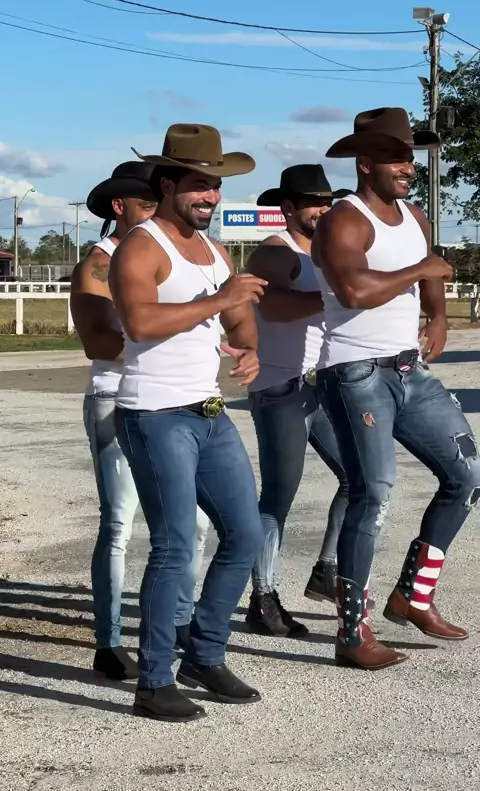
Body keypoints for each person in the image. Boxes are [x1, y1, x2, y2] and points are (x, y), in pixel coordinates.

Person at [312, 107, 480, 671]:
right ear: (365, 163)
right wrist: (422, 272)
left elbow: (429, 270)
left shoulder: (414, 216)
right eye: (395, 157)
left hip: (410, 370)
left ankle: (413, 596)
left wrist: (439, 316)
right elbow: (354, 290)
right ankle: (351, 632)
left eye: (410, 157)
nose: (407, 166)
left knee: (467, 475)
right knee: (373, 493)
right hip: (355, 373)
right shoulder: (344, 219)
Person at [109, 124, 266, 723]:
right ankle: (153, 681)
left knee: (245, 535)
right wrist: (221, 301)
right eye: (201, 185)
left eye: (216, 186)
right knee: (174, 547)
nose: (212, 197)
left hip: (209, 410)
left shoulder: (214, 251)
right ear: (168, 185)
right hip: (155, 414)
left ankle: (204, 653)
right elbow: (141, 323)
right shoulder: (142, 246)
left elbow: (237, 316)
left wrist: (248, 347)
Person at [70, 161, 209, 681]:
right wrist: (168, 336)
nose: (155, 212)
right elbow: (98, 341)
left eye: (158, 202)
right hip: (115, 399)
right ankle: (108, 640)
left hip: (172, 402)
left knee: (193, 523)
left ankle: (178, 621)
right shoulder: (99, 264)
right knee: (119, 522)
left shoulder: (174, 255)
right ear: (118, 207)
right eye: (146, 204)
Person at [245, 164, 352, 637]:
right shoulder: (276, 252)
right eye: (314, 203)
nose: (323, 210)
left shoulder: (328, 252)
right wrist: (336, 297)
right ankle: (263, 597)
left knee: (359, 478)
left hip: (322, 386)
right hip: (280, 388)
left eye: (328, 202)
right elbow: (272, 307)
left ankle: (326, 569)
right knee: (278, 496)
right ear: (288, 208)